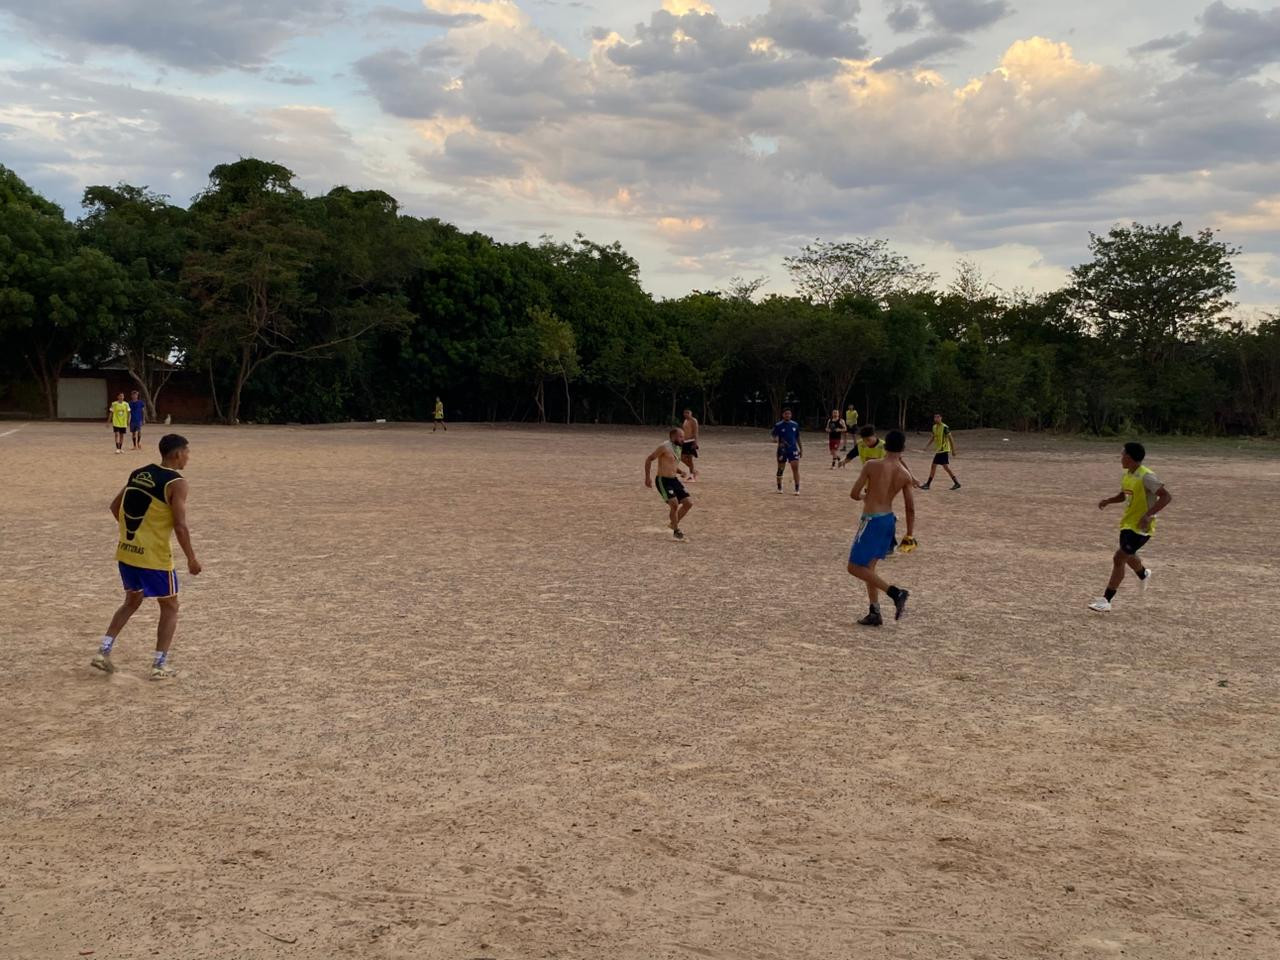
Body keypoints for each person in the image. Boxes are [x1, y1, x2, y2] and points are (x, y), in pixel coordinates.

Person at [90, 434, 202, 679]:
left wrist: (134, 532)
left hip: (127, 553)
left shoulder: (139, 472)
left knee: (131, 601)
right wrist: (192, 559)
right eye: (187, 452)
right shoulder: (177, 483)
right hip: (155, 557)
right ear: (176, 454)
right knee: (170, 606)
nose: (188, 457)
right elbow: (180, 525)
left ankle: (103, 651)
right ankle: (159, 665)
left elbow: (114, 507)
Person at [1088, 442, 1172, 613]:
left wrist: (1148, 516)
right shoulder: (1127, 475)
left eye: (1122, 454)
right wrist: (1109, 501)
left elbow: (1166, 497)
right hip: (1128, 523)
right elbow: (1124, 494)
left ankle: (1106, 600)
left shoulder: (1147, 476)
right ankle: (1143, 574)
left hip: (1142, 527)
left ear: (1130, 457)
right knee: (1127, 555)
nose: (1120, 457)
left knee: (1119, 557)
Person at [847, 429, 914, 626]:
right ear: (903, 448)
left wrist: (863, 497)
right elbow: (910, 509)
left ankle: (896, 593)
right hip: (888, 520)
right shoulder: (905, 474)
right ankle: (874, 611)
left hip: (871, 520)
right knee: (869, 568)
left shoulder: (871, 465)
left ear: (884, 446)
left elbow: (854, 493)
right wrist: (909, 534)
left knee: (853, 567)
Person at [644, 428, 693, 540]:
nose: (683, 439)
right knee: (674, 504)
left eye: (683, 437)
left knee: (688, 503)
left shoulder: (678, 448)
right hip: (663, 480)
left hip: (674, 479)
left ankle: (673, 523)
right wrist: (647, 477)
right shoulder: (664, 447)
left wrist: (681, 472)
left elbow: (672, 464)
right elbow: (649, 459)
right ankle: (676, 530)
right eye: (681, 436)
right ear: (673, 437)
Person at [921, 413, 960, 490]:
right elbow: (933, 437)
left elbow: (951, 439)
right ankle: (956, 483)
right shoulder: (934, 427)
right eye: (935, 417)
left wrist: (953, 450)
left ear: (941, 418)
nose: (936, 419)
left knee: (934, 466)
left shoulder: (945, 427)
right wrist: (927, 446)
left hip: (943, 450)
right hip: (939, 450)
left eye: (938, 417)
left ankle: (928, 484)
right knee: (945, 467)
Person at [771, 408, 802, 494]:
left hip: (793, 449)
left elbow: (798, 437)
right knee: (780, 468)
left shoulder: (795, 425)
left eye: (789, 414)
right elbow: (774, 435)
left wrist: (801, 449)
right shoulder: (778, 425)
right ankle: (779, 487)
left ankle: (797, 488)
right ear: (783, 415)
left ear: (791, 415)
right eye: (786, 414)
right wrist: (776, 440)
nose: (787, 415)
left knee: (795, 468)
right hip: (782, 450)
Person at [680, 408, 700, 480]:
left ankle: (691, 476)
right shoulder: (685, 421)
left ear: (691, 413)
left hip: (691, 441)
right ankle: (694, 471)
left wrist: (695, 442)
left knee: (690, 459)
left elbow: (695, 432)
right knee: (681, 458)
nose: (686, 414)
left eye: (688, 413)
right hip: (684, 442)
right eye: (685, 413)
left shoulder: (693, 421)